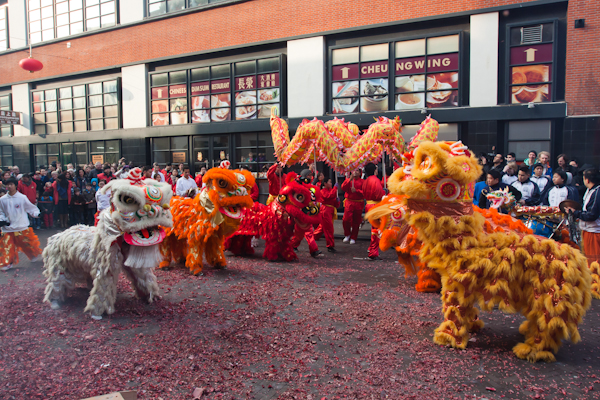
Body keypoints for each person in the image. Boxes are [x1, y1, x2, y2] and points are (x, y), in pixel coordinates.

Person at [0, 178, 42, 271]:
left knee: (27, 244)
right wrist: (2, 220)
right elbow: (1, 212)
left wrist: (36, 213)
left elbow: (30, 208)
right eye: (7, 185)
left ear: (15, 185)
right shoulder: (2, 199)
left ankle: (33, 255)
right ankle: (7, 262)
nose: (9, 186)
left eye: (11, 184)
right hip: (8, 228)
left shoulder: (22, 197)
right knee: (7, 246)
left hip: (21, 226)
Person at [566, 169, 600, 264]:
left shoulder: (597, 192)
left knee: (594, 262)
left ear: (587, 180)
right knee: (588, 260)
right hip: (588, 230)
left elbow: (592, 215)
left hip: (594, 231)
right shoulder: (591, 190)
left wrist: (575, 213)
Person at [290, 169, 322, 258]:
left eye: (311, 175)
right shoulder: (297, 184)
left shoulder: (310, 186)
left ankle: (311, 249)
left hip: (307, 212)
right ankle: (311, 249)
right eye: (309, 175)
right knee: (302, 233)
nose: (310, 177)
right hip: (300, 212)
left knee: (304, 233)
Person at [362, 163, 385, 260]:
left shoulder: (366, 181)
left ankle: (372, 248)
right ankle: (373, 252)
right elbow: (380, 194)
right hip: (375, 205)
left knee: (374, 228)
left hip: (368, 205)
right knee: (376, 229)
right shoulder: (376, 180)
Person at [313, 177, 339, 253]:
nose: (331, 183)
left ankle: (313, 236)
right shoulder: (322, 191)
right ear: (325, 183)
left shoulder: (331, 190)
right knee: (329, 229)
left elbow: (334, 202)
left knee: (322, 227)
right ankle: (330, 245)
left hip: (330, 210)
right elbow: (328, 196)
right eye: (329, 182)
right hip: (325, 210)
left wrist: (337, 202)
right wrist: (335, 188)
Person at [342, 169, 364, 244]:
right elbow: (343, 188)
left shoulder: (363, 181)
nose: (355, 172)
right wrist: (349, 180)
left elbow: (365, 192)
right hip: (349, 202)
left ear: (360, 173)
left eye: (357, 171)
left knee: (356, 221)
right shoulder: (348, 180)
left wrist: (357, 191)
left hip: (358, 203)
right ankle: (347, 234)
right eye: (354, 170)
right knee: (346, 219)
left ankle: (353, 237)